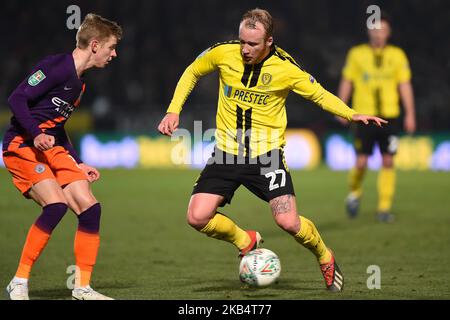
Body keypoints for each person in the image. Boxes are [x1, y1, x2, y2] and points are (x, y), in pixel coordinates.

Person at [158, 8, 386, 292]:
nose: (244, 49)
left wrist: (351, 113)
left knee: (288, 222)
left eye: (252, 44)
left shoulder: (286, 68)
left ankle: (325, 256)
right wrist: (173, 110)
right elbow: (193, 71)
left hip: (267, 157)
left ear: (269, 41)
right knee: (197, 217)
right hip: (226, 154)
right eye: (242, 41)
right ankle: (245, 241)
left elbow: (319, 94)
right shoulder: (222, 53)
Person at [3, 13, 122, 300]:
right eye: (111, 47)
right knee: (55, 206)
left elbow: (56, 126)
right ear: (95, 45)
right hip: (23, 146)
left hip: (52, 149)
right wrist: (35, 133)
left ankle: (82, 288)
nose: (114, 54)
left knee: (90, 208)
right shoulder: (55, 67)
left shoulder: (79, 85)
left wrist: (76, 160)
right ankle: (18, 281)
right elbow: (16, 99)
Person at [337, 14, 416, 222]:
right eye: (375, 29)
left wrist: (410, 114)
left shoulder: (398, 55)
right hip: (364, 117)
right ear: (369, 31)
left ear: (388, 33)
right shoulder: (357, 54)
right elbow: (347, 81)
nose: (378, 33)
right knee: (361, 162)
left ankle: (383, 208)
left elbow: (404, 85)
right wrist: (341, 108)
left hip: (389, 116)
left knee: (388, 161)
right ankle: (354, 192)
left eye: (382, 30)